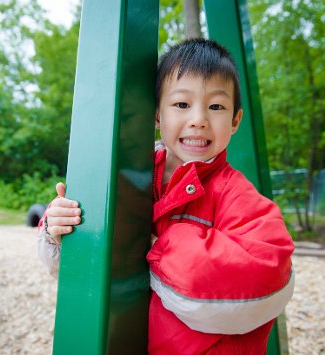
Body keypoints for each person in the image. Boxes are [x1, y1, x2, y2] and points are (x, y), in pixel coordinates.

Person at [37, 38, 295, 354]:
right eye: (182, 104)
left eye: (216, 106)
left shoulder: (236, 195)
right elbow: (85, 263)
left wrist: (159, 247)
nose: (199, 119)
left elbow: (265, 270)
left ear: (235, 120)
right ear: (157, 116)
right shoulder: (126, 176)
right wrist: (60, 226)